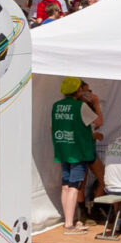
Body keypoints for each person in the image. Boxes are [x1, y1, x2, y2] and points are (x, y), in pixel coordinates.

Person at [50, 78, 102, 231]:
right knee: (74, 186)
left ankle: (68, 220)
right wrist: (96, 103)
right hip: (78, 151)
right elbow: (98, 122)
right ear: (78, 90)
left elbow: (52, 126)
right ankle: (69, 225)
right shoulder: (81, 106)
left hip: (62, 149)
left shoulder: (56, 106)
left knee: (66, 185)